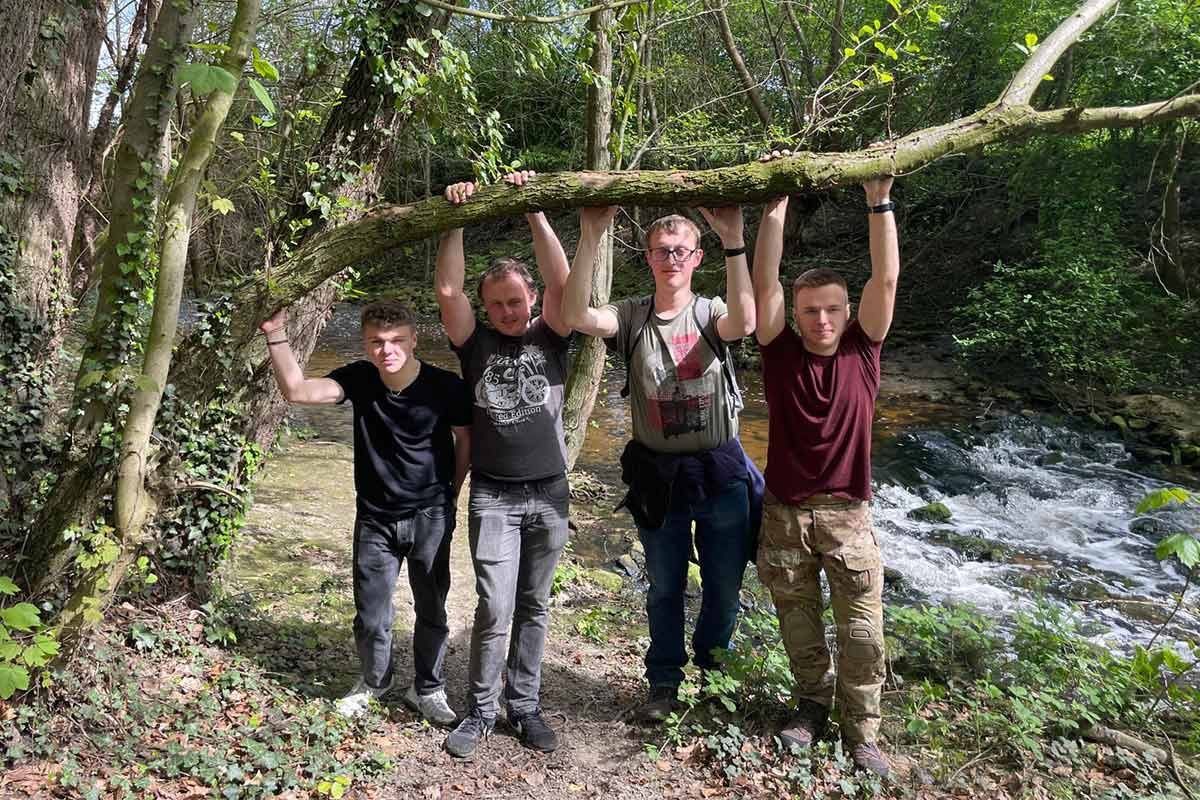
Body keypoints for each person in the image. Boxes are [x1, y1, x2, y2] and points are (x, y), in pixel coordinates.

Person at [562, 204, 762, 723]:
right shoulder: (631, 316)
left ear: (696, 257)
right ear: (648, 257)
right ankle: (664, 685)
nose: (671, 258)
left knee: (723, 588)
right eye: (661, 250)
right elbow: (575, 315)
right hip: (657, 478)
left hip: (720, 475)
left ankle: (715, 681)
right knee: (665, 588)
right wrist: (590, 234)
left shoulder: (711, 311)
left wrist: (735, 239)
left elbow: (746, 322)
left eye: (680, 251)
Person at [751, 157, 899, 778]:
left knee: (863, 635)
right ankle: (810, 705)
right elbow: (764, 287)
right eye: (811, 309)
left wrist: (879, 199)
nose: (821, 320)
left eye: (832, 308)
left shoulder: (865, 348)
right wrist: (776, 209)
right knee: (799, 627)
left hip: (848, 517)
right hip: (785, 516)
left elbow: (885, 281)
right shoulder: (779, 352)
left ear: (846, 310)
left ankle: (862, 730)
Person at [259, 300, 470, 724]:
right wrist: (274, 333)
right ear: (365, 343)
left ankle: (427, 688)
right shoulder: (359, 378)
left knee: (432, 607)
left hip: (430, 514)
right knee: (372, 612)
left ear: (414, 339)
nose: (386, 350)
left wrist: (451, 495)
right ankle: (375, 681)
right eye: (376, 341)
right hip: (375, 518)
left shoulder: (446, 387)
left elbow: (466, 440)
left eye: (395, 340)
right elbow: (298, 390)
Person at [435, 171, 572, 757]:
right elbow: (447, 293)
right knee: (494, 605)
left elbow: (564, 280)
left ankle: (525, 706)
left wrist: (535, 211)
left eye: (516, 301)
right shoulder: (475, 343)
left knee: (535, 604)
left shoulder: (554, 333)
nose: (508, 311)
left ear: (531, 299)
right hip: (493, 493)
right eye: (498, 304)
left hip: (550, 492)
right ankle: (481, 711)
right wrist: (457, 217)